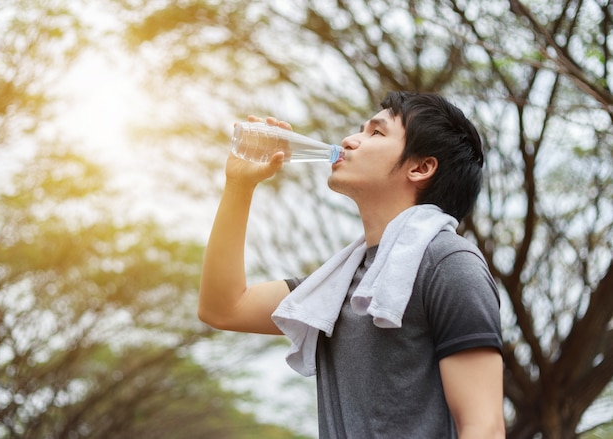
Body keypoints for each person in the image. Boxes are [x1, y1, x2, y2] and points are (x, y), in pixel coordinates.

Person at [199, 91, 505, 438]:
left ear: (421, 167)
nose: (349, 140)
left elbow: (485, 427)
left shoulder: (448, 265)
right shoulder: (333, 289)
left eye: (376, 132)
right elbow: (223, 308)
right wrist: (239, 186)